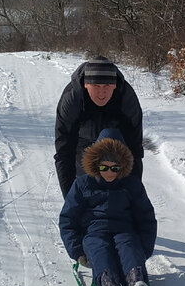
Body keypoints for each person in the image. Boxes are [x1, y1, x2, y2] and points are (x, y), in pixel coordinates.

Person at [58, 128, 157, 286]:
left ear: (123, 166)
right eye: (104, 167)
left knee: (128, 246)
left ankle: (136, 281)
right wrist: (77, 251)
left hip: (124, 229)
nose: (109, 172)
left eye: (115, 168)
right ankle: (109, 285)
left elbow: (146, 217)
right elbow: (68, 218)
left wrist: (144, 248)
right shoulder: (83, 184)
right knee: (98, 249)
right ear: (96, 164)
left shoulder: (131, 185)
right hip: (94, 231)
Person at [54, 57, 144, 198]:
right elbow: (64, 152)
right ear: (86, 85)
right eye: (96, 86)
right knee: (87, 191)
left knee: (117, 195)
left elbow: (135, 150)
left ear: (114, 86)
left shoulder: (126, 97)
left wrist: (134, 197)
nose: (101, 93)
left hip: (116, 144)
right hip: (82, 143)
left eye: (107, 86)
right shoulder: (72, 99)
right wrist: (70, 200)